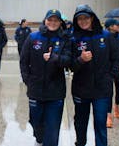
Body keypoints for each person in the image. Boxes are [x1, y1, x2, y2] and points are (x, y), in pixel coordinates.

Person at [20, 9, 72, 146]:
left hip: (56, 91)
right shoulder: (33, 37)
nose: (53, 23)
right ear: (45, 20)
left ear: (60, 23)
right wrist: (28, 80)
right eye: (50, 20)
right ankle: (39, 137)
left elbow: (69, 60)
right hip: (35, 89)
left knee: (53, 128)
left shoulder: (64, 39)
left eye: (56, 20)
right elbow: (24, 60)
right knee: (36, 122)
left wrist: (55, 58)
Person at [70, 4, 119, 146]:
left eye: (86, 18)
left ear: (92, 18)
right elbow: (70, 65)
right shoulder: (74, 39)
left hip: (102, 90)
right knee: (80, 122)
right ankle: (80, 143)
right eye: (79, 19)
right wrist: (81, 59)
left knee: (100, 123)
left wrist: (110, 76)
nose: (83, 21)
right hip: (81, 89)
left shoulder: (106, 36)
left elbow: (116, 58)